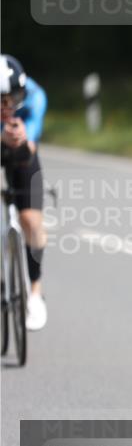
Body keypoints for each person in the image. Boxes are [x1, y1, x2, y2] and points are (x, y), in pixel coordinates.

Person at [1, 54, 48, 330]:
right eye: (0, 102)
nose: (7, 108)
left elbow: (31, 141)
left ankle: (35, 293)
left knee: (31, 220)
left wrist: (21, 139)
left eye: (11, 100)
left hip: (21, 151)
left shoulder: (35, 95)